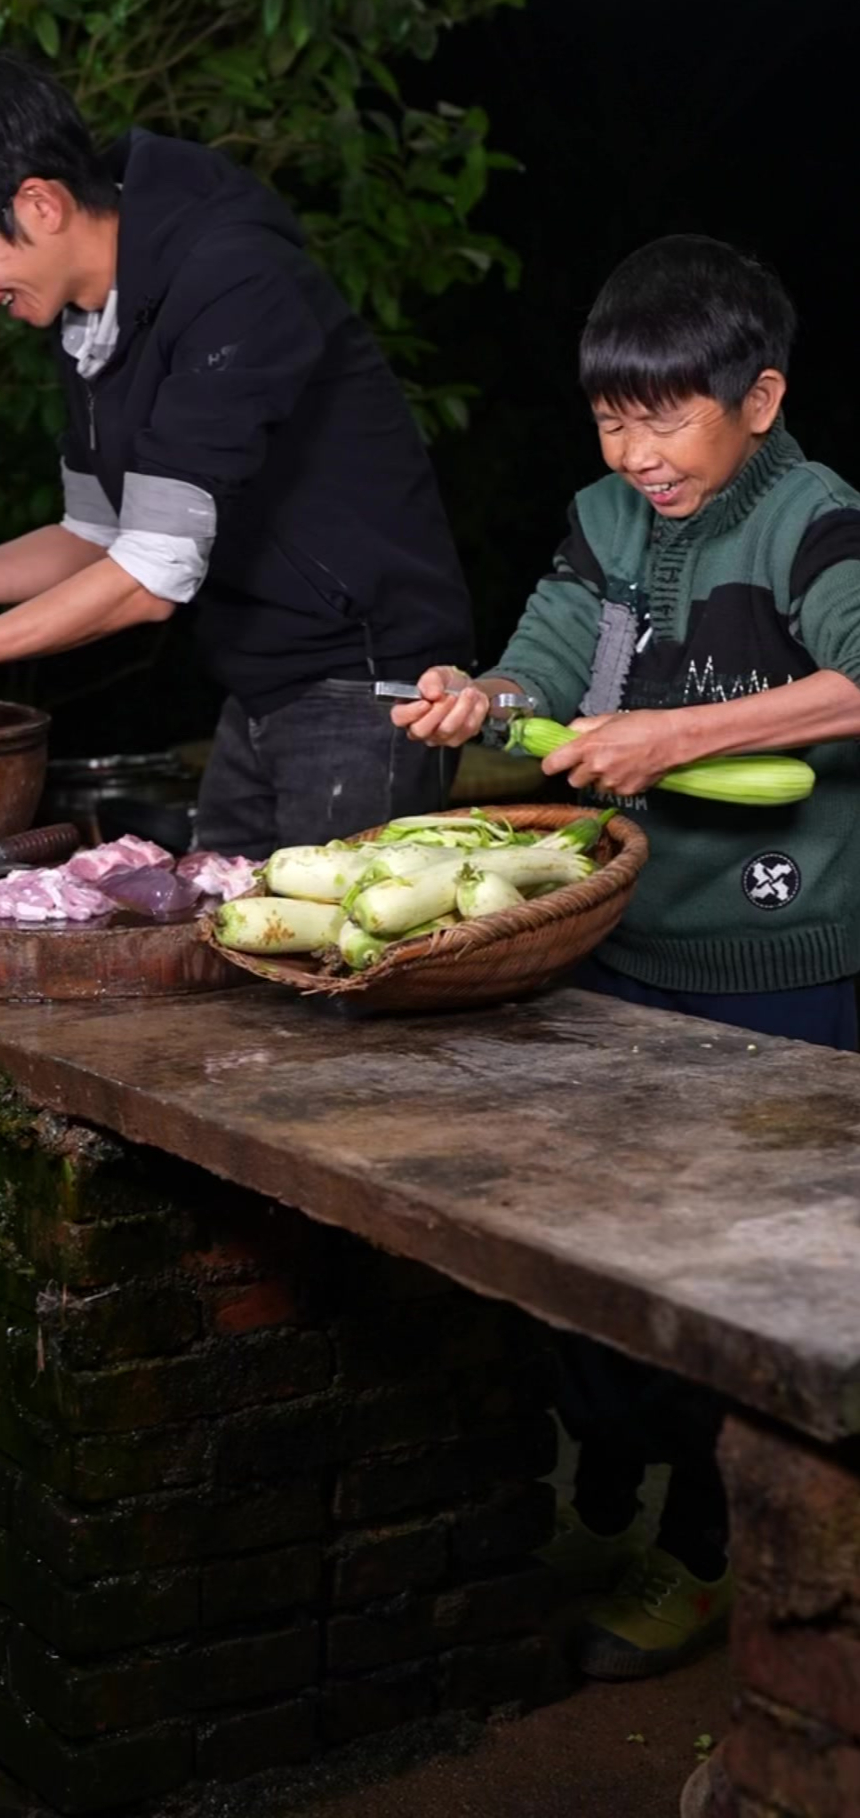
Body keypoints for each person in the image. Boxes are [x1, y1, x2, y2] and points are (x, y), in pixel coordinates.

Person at [393, 234, 860, 1694]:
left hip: (778, 960)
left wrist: (671, 735)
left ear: (759, 398)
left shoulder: (812, 517)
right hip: (617, 941)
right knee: (582, 1260)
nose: (634, 448)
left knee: (740, 1291)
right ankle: (618, 1473)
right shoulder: (601, 517)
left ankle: (710, 1554)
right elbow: (539, 665)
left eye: (666, 414)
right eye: (611, 413)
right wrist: (476, 699)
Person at [0, 50, 473, 857]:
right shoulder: (90, 325)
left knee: (333, 965)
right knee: (230, 942)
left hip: (373, 685)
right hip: (263, 685)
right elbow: (95, 538)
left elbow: (146, 579)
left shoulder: (231, 278)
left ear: (37, 203)